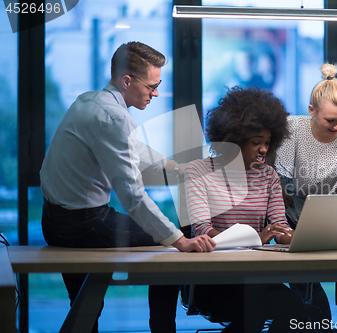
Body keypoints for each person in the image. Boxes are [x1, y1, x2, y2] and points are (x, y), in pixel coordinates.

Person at [40, 41, 215, 333]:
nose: (156, 93)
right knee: (176, 241)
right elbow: (133, 197)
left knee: (85, 309)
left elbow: (131, 147)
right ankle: (162, 329)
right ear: (127, 81)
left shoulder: (90, 101)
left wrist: (175, 168)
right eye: (152, 86)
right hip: (84, 225)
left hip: (54, 220)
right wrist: (179, 241)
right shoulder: (115, 117)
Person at [184, 86, 308, 333]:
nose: (263, 150)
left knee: (299, 310)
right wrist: (256, 239)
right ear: (232, 140)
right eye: (255, 143)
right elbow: (203, 232)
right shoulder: (197, 171)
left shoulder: (268, 175)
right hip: (214, 280)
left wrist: (306, 237)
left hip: (255, 276)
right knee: (258, 308)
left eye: (267, 143)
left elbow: (279, 228)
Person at [273, 63, 337, 330]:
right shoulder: (293, 127)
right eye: (330, 120)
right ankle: (314, 319)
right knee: (305, 284)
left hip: (332, 216)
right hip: (291, 217)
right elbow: (283, 187)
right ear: (311, 111)